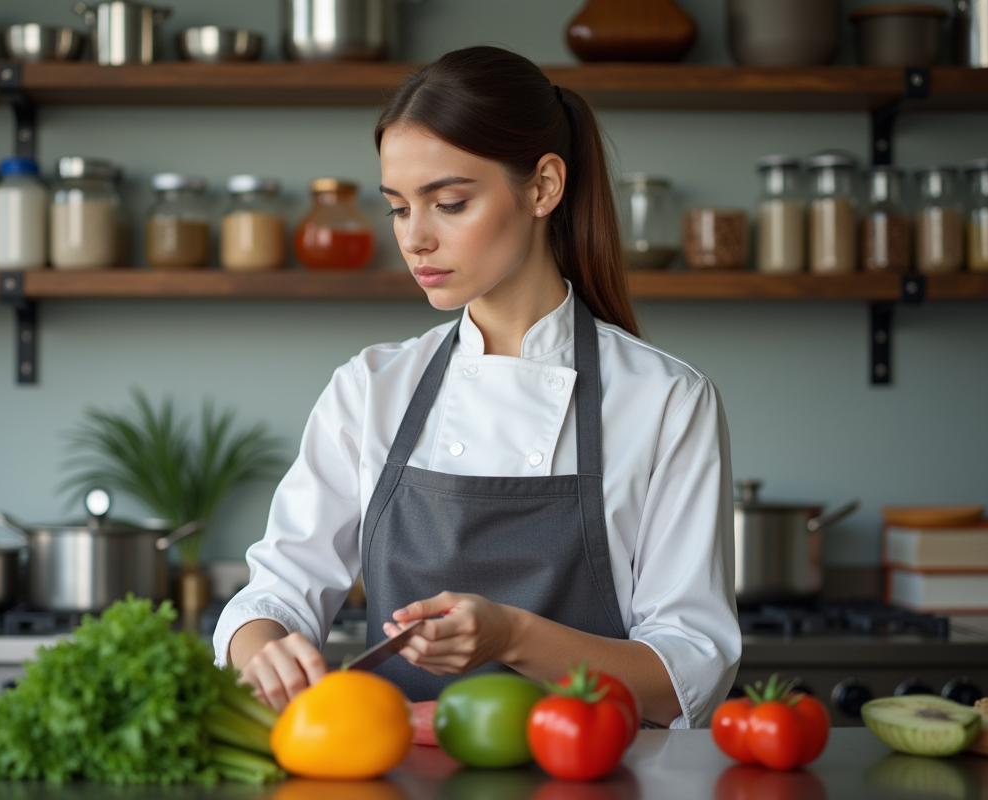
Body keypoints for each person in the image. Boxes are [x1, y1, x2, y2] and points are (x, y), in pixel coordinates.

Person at [214, 45, 740, 729]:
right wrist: (264, 650)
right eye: (399, 208)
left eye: (450, 203)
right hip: (400, 773)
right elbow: (275, 597)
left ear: (544, 187)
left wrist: (512, 637)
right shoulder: (370, 389)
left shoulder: (666, 401)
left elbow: (687, 672)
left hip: (601, 779)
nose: (415, 239)